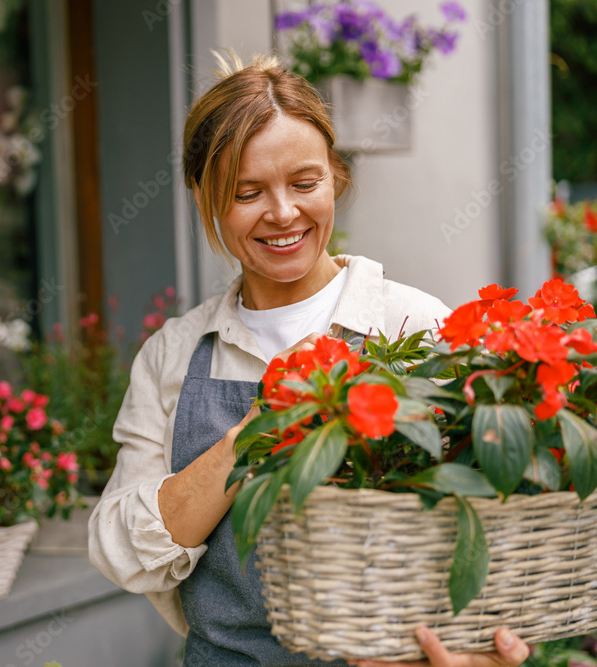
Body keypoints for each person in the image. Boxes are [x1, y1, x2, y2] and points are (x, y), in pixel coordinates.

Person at [88, 53, 532, 667]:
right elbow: (122, 551)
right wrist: (256, 430)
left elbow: (494, 522)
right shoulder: (175, 354)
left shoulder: (416, 326)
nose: (283, 213)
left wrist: (475, 651)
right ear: (205, 197)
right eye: (248, 193)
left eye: (305, 183)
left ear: (335, 177)